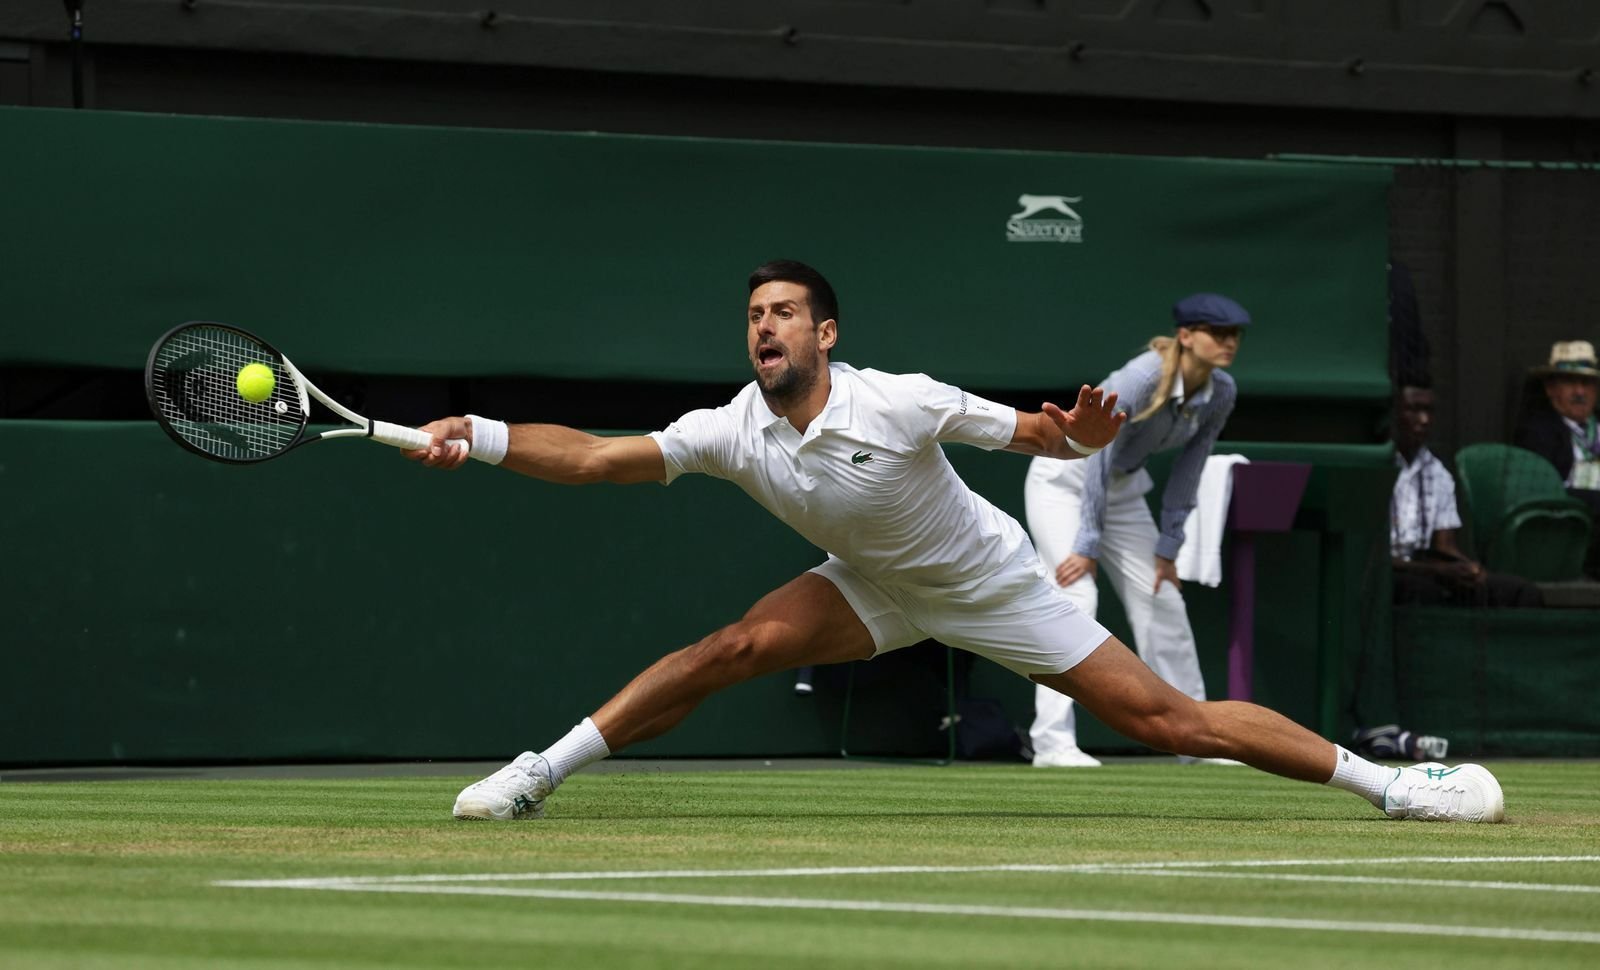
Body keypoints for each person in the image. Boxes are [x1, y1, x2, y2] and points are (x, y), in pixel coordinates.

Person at [409, 259, 1504, 824]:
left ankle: (1396, 788)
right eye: (753, 315)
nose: (764, 327)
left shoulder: (900, 398)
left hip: (990, 583)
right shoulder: (726, 428)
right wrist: (487, 435)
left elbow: (1031, 430)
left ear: (824, 332)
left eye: (785, 312)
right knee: (730, 648)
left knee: (1170, 722)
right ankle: (534, 775)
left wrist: (1069, 433)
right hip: (873, 582)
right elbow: (599, 458)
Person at [1022, 293, 1247, 768]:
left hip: (1121, 492)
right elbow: (1098, 453)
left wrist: (1169, 545)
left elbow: (1192, 465)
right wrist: (1087, 543)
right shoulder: (1142, 377)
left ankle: (1198, 740)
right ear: (1186, 336)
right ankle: (1052, 743)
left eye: (1234, 335)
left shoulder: (1221, 391)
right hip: (1066, 479)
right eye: (1217, 333)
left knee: (1162, 599)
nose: (1228, 343)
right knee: (1074, 597)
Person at [1391, 381, 1541, 607]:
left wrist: (1470, 568)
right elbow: (1376, 557)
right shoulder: (1379, 467)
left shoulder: (1437, 471)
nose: (1424, 420)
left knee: (1522, 592)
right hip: (1387, 572)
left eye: (1429, 411)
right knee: (1422, 592)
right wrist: (1437, 570)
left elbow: (1445, 546)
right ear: (1395, 413)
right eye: (1414, 410)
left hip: (1425, 567)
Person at [1513, 340, 1600, 575]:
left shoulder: (1598, 428)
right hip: (1566, 530)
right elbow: (1546, 496)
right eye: (1571, 382)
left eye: (1587, 383)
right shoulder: (1537, 433)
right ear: (1551, 388)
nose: (1580, 392)